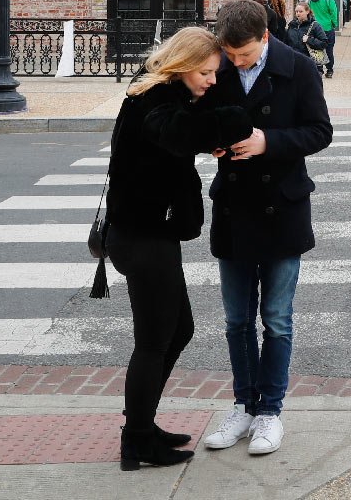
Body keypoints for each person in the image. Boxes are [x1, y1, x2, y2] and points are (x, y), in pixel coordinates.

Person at [105, 27, 252, 471]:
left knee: (177, 330)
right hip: (141, 235)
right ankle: (137, 440)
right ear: (185, 65)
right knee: (154, 340)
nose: (211, 79)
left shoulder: (162, 90)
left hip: (149, 232)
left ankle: (142, 426)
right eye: (206, 72)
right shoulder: (156, 103)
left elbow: (190, 125)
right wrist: (235, 123)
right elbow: (180, 131)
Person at [200, 1, 332, 457]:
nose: (236, 63)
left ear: (264, 37)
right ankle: (243, 406)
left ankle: (270, 411)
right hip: (235, 208)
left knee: (276, 320)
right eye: (230, 55)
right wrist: (213, 143)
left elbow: (320, 132)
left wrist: (268, 142)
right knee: (237, 321)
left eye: (244, 55)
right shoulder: (217, 66)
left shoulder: (297, 67)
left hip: (283, 206)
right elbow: (202, 123)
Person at [285, 1, 328, 71]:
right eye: (296, 11)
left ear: (307, 11)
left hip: (310, 63)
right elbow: (286, 43)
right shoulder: (292, 25)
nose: (298, 14)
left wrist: (309, 40)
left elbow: (324, 43)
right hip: (294, 62)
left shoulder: (315, 26)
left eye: (301, 11)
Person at [308, 0, 339, 78]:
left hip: (315, 27)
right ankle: (329, 70)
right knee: (329, 49)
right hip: (327, 27)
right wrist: (334, 24)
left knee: (317, 49)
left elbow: (309, 12)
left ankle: (319, 70)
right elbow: (333, 13)